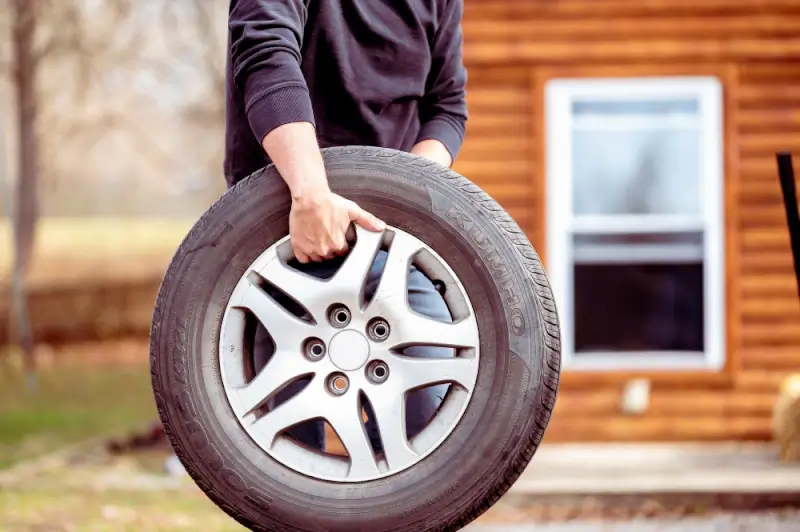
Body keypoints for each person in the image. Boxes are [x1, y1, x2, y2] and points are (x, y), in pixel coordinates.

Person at [225, 0, 468, 453]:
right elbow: (265, 53)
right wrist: (310, 193)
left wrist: (402, 198)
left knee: (430, 449)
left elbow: (447, 106)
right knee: (291, 470)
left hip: (390, 241)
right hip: (289, 234)